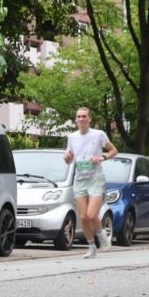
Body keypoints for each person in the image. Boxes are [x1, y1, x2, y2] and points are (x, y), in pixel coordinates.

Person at [63, 107, 118, 259]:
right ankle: (91, 247)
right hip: (80, 179)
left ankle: (103, 238)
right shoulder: (72, 137)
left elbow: (114, 150)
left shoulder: (99, 135)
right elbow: (70, 159)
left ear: (89, 119)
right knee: (83, 218)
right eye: (78, 116)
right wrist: (67, 157)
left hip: (96, 178)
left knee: (92, 215)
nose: (81, 119)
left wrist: (102, 158)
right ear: (76, 120)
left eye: (84, 116)